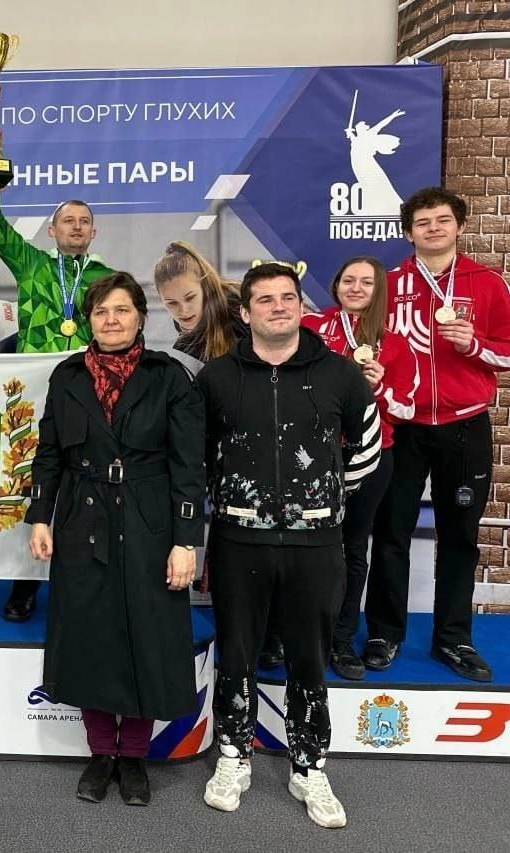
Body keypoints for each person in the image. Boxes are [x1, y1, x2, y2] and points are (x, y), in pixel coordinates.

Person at [198, 263, 380, 828]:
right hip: (238, 540)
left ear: (301, 306)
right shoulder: (216, 378)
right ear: (246, 312)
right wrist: (230, 498)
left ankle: (309, 765)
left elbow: (368, 446)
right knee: (236, 653)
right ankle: (234, 756)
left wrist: (323, 499)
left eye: (287, 298)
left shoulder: (341, 374)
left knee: (309, 656)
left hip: (316, 544)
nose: (278, 306)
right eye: (265, 299)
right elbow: (197, 454)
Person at [26, 272, 205, 806]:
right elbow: (49, 453)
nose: (111, 320)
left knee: (146, 635)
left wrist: (186, 541)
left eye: (121, 310)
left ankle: (134, 758)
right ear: (89, 320)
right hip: (82, 518)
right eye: (101, 311)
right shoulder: (67, 376)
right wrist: (40, 516)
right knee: (91, 637)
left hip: (151, 522)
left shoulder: (169, 376)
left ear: (140, 317)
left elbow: (189, 465)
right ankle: (102, 752)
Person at [365, 187, 510, 682]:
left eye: (442, 220)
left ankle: (454, 638)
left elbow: (507, 351)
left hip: (464, 424)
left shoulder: (486, 283)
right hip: (400, 426)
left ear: (459, 227)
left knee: (459, 536)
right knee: (391, 532)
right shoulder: (387, 285)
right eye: (422, 222)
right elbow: (363, 344)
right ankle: (384, 633)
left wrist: (475, 344)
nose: (433, 228)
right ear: (409, 233)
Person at [0, 129, 116, 624]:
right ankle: (24, 584)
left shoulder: (107, 280)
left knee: (88, 490)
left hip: (93, 398)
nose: (76, 227)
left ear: (93, 233)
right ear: (51, 231)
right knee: (37, 487)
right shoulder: (32, 265)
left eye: (84, 221)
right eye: (67, 221)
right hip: (36, 396)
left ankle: (83, 586)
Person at [153, 242, 287, 669]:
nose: (183, 310)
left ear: (205, 284)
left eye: (189, 298)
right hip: (227, 455)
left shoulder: (243, 309)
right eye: (171, 304)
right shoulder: (185, 342)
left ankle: (276, 632)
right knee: (236, 548)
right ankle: (246, 632)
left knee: (274, 542)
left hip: (274, 442)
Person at [302, 257, 418, 680]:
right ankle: (293, 635)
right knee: (301, 546)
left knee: (352, 548)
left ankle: (340, 639)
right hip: (311, 456)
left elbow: (406, 410)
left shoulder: (397, 344)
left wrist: (379, 385)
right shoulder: (311, 328)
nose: (355, 287)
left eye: (366, 282)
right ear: (335, 285)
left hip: (370, 455)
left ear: (379, 290)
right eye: (348, 279)